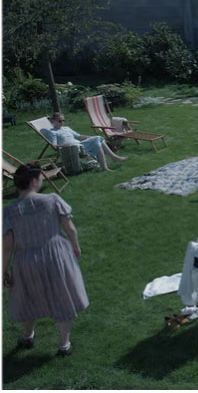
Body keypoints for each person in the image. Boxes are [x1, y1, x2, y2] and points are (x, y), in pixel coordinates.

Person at [2, 164, 89, 357]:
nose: (42, 181)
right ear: (33, 182)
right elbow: (70, 228)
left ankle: (27, 336)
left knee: (27, 297)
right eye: (40, 178)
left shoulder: (9, 211)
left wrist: (3, 272)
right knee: (62, 297)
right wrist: (75, 246)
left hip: (25, 260)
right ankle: (64, 345)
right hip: (56, 255)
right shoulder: (52, 199)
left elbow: (7, 246)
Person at [41, 113, 126, 172]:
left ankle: (107, 166)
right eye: (59, 121)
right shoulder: (52, 132)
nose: (62, 122)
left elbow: (78, 136)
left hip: (80, 145)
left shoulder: (66, 128)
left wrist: (89, 137)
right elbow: (54, 146)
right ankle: (112, 160)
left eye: (63, 120)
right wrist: (65, 144)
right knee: (98, 139)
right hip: (71, 148)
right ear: (53, 121)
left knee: (97, 139)